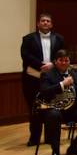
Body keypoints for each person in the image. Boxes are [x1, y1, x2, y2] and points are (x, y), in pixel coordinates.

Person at [21, 13, 65, 146]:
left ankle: (50, 138)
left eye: (48, 21)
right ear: (38, 23)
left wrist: (52, 64)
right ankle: (34, 138)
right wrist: (41, 66)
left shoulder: (59, 38)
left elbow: (62, 54)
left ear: (51, 24)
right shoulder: (28, 38)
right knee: (34, 108)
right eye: (43, 21)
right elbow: (25, 55)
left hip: (52, 79)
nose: (45, 23)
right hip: (32, 78)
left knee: (51, 107)